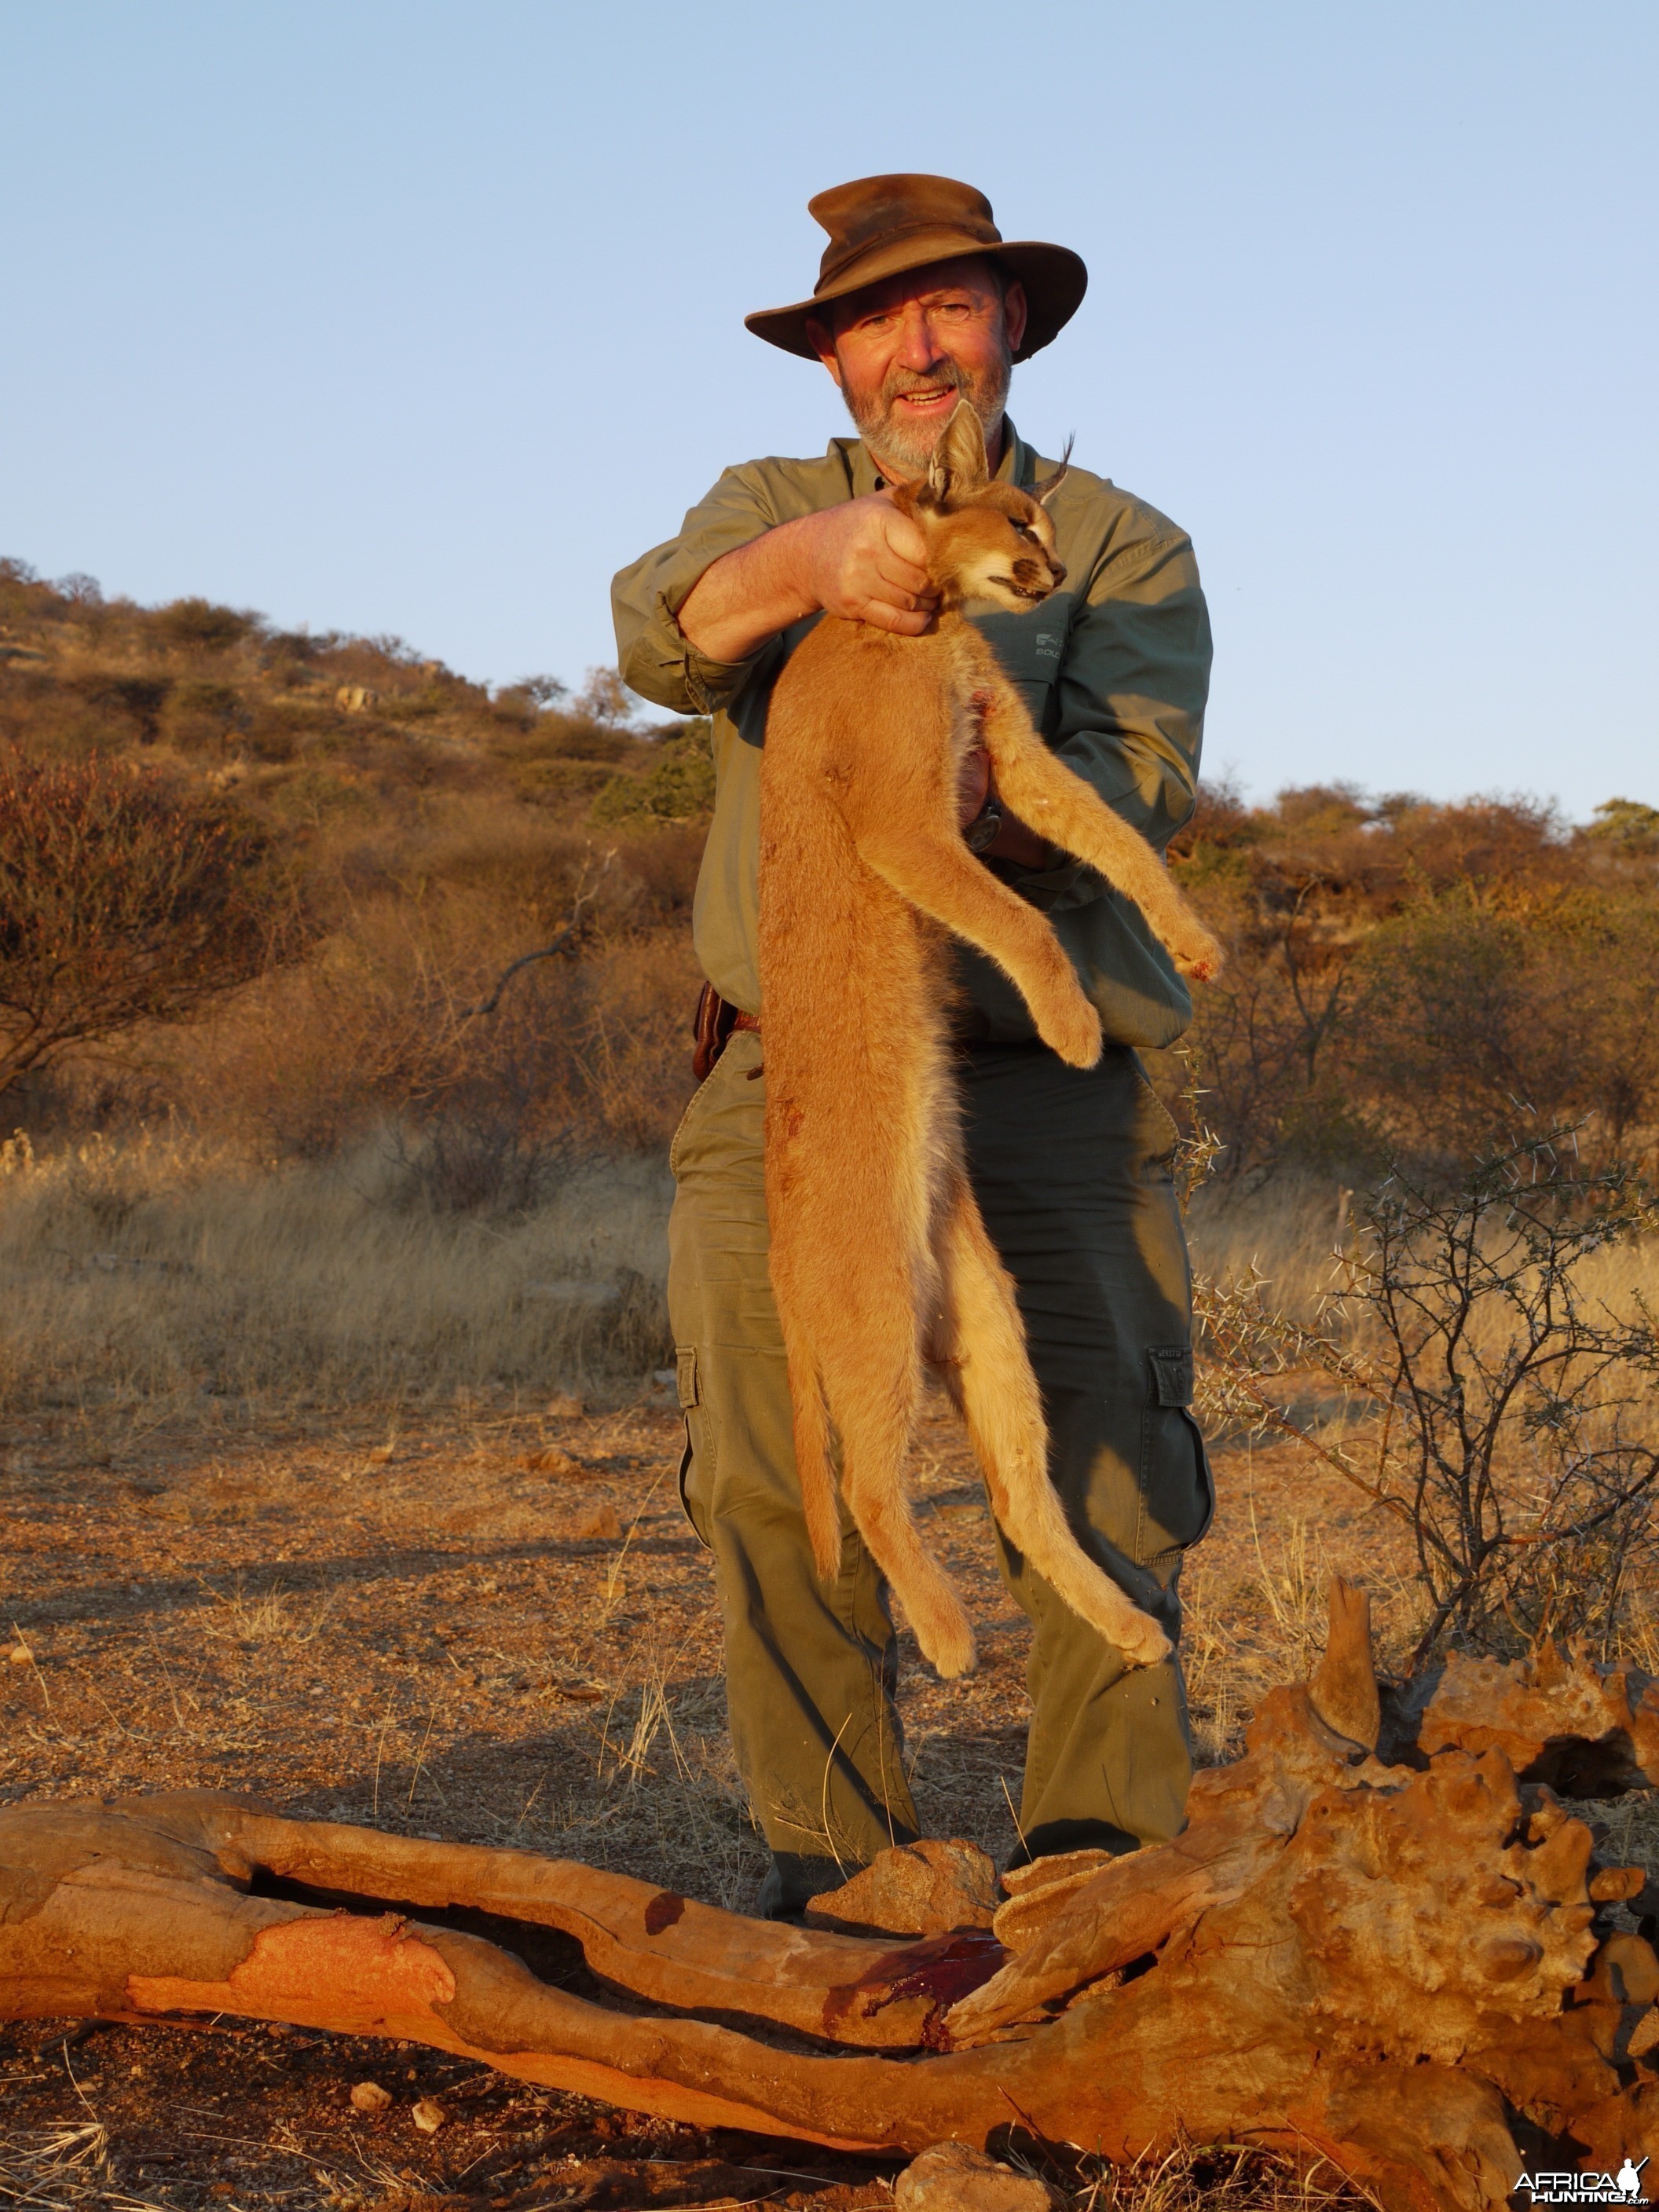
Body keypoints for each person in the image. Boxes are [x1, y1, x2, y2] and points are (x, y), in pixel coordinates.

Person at [612, 174, 1215, 1920]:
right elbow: (659, 636)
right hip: (790, 1069)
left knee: (1106, 1451)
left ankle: (1098, 1905)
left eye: (952, 306)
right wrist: (810, 567)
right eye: (876, 319)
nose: (918, 345)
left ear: (1010, 325)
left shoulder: (1112, 541)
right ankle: (849, 1907)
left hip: (1041, 1070)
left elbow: (1139, 786)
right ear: (835, 363)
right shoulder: (768, 507)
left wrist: (970, 800)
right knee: (775, 1467)